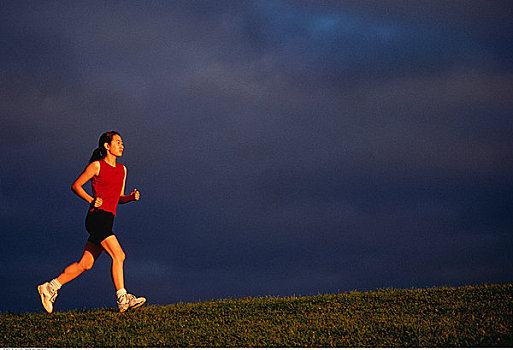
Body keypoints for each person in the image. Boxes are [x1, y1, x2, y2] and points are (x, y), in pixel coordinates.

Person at [37, 131, 146, 313]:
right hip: (97, 218)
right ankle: (122, 298)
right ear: (107, 145)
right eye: (118, 142)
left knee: (85, 264)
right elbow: (76, 185)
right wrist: (91, 199)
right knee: (119, 255)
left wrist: (130, 198)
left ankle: (50, 287)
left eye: (122, 143)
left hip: (108, 219)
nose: (122, 146)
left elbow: (117, 197)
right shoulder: (97, 166)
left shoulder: (122, 170)